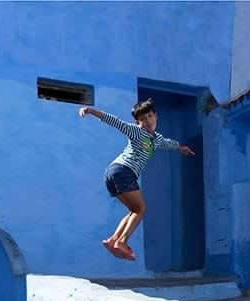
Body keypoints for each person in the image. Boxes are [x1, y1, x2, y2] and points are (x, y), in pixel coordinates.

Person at [78, 98, 195, 260]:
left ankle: (113, 240)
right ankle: (122, 242)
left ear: (156, 116)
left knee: (134, 210)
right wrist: (90, 110)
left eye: (149, 117)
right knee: (141, 209)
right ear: (138, 122)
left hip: (113, 174)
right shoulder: (136, 131)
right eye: (142, 119)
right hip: (122, 170)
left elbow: (167, 143)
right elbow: (115, 122)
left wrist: (180, 148)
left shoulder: (157, 139)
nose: (147, 121)